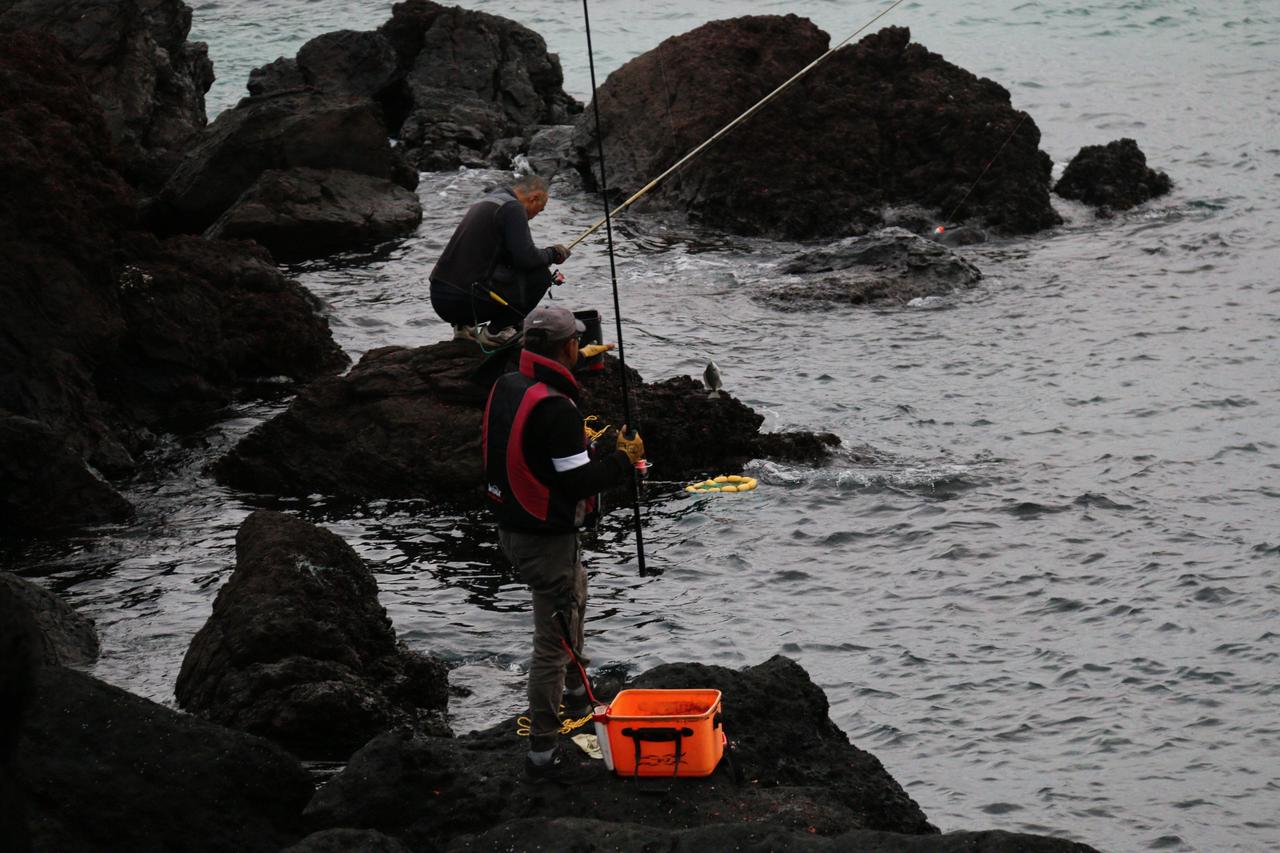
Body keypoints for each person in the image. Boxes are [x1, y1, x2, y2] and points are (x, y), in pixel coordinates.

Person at [482, 305, 645, 781]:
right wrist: (621, 460)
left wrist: (598, 452)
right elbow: (577, 484)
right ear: (568, 347)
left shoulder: (511, 384)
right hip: (542, 539)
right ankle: (542, 752)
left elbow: (556, 461)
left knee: (576, 590)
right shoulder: (555, 407)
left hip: (512, 527)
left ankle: (578, 689)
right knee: (551, 641)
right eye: (577, 340)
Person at [430, 174, 571, 345]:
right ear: (534, 198)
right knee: (540, 276)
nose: (536, 216)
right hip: (465, 300)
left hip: (440, 298)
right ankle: (496, 331)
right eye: (540, 210)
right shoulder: (513, 207)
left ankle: (464, 327)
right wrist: (553, 254)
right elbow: (526, 258)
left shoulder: (489, 202)